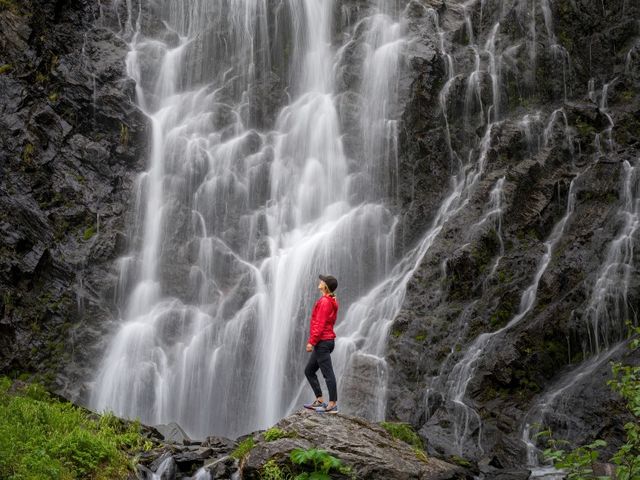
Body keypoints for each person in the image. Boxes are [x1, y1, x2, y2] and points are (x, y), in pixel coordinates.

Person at [303, 274, 339, 414]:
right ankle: (319, 400)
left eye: (322, 280)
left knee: (328, 373)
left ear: (325, 286)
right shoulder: (331, 300)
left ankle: (332, 404)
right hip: (326, 341)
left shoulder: (325, 301)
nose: (320, 281)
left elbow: (320, 323)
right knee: (309, 371)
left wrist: (312, 342)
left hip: (322, 341)